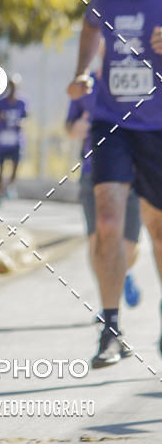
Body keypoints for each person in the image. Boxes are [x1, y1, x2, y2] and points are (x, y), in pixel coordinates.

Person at [67, 0, 162, 368]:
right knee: (107, 221)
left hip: (158, 128)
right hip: (112, 124)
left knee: (158, 231)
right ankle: (111, 329)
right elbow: (90, 31)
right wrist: (83, 72)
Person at [65, 65, 142, 309]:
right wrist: (76, 128)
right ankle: (106, 305)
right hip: (92, 171)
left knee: (128, 246)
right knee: (96, 241)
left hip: (133, 172)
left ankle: (123, 273)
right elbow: (69, 124)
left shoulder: (138, 77)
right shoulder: (86, 84)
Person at [0, 74, 27, 204]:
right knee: (1, 167)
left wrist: (21, 123)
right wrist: (0, 116)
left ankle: (8, 187)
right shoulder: (0, 102)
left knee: (15, 166)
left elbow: (26, 117)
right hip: (2, 141)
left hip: (16, 140)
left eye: (15, 87)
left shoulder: (22, 102)